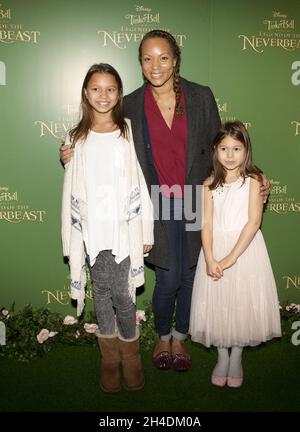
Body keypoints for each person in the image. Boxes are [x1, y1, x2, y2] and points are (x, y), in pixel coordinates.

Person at [60, 30, 270, 372]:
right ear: (140, 63)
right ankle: (161, 334)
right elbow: (97, 134)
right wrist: (70, 151)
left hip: (193, 197)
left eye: (163, 57)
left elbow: (223, 146)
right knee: (169, 278)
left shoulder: (200, 96)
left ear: (175, 60)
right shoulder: (128, 102)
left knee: (189, 276)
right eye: (147, 58)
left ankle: (180, 337)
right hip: (153, 202)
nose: (155, 65)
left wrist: (255, 174)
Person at [61, 63, 154, 393]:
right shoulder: (75, 138)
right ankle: (109, 361)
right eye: (96, 89)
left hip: (122, 231)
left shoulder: (128, 131)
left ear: (119, 93)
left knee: (123, 298)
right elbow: (72, 188)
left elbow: (140, 185)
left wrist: (145, 231)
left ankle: (131, 360)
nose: (103, 95)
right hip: (91, 232)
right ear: (86, 93)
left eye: (110, 89)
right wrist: (67, 159)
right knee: (101, 297)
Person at [189, 121, 281, 388]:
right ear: (215, 151)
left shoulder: (253, 182)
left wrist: (229, 259)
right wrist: (209, 258)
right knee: (218, 304)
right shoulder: (207, 185)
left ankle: (237, 356)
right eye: (224, 148)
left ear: (246, 150)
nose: (230, 155)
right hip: (214, 250)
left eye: (236, 148)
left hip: (244, 251)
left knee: (241, 303)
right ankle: (221, 355)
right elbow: (205, 223)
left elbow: (253, 222)